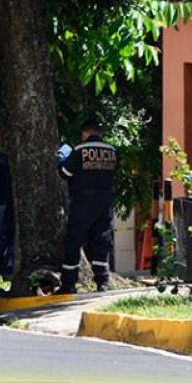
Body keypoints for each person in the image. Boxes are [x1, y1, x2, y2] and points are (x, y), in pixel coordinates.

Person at [58, 119, 119, 293]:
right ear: (99, 133)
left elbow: (65, 173)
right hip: (105, 201)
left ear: (85, 133)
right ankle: (103, 281)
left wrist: (63, 159)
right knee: (101, 239)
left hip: (83, 200)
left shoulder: (79, 150)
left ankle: (69, 283)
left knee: (74, 240)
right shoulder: (112, 151)